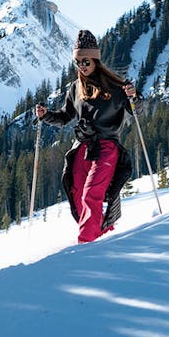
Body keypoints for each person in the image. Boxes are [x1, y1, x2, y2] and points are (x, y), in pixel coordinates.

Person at [35, 30, 137, 243]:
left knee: (92, 193)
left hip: (107, 147)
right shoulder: (75, 88)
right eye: (78, 62)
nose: (82, 65)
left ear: (95, 60)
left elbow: (136, 109)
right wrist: (46, 116)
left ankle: (85, 245)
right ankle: (96, 234)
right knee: (77, 192)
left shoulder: (116, 88)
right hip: (83, 146)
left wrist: (134, 96)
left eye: (86, 60)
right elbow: (65, 117)